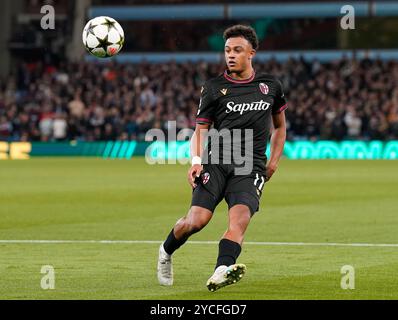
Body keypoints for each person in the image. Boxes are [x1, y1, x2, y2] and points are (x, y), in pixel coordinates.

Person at [157, 25, 287, 292]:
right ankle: (166, 251)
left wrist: (273, 161)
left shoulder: (270, 86)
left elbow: (280, 127)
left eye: (237, 50)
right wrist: (196, 161)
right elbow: (200, 129)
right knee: (196, 221)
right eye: (227, 50)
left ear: (251, 52)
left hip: (250, 166)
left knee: (239, 221)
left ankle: (221, 270)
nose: (230, 55)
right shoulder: (214, 87)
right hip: (216, 162)